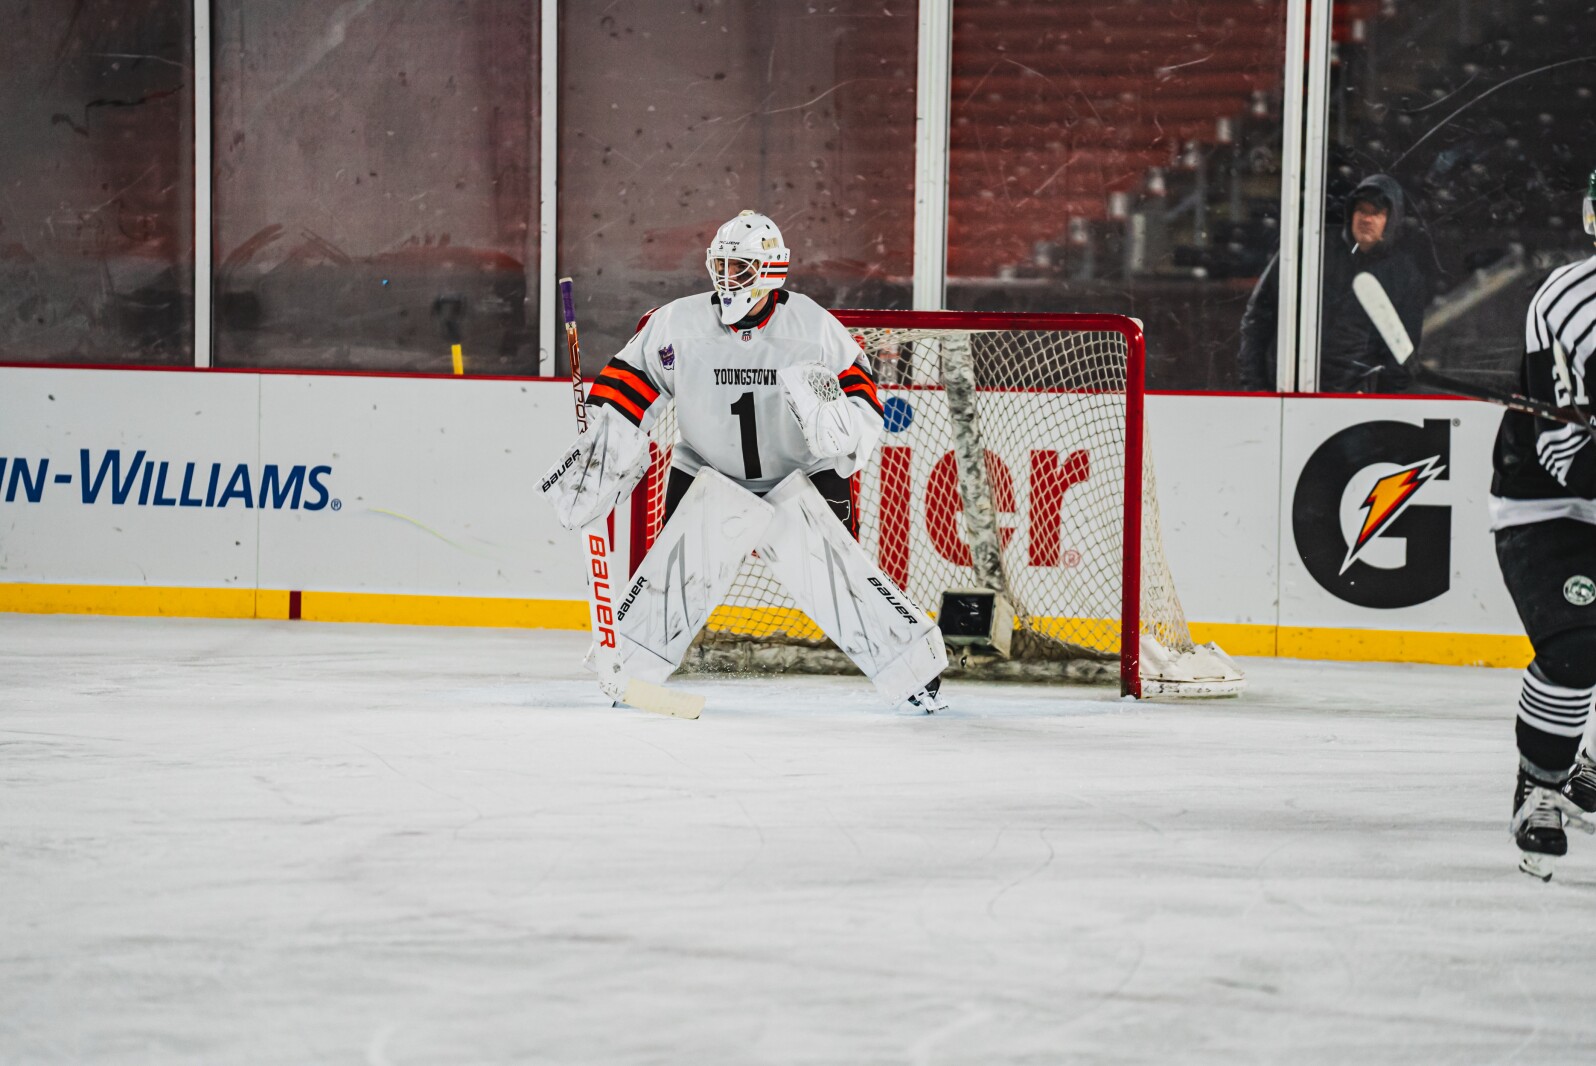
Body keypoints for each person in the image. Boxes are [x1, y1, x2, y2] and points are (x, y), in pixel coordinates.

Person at [538, 210, 949, 712]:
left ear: (771, 271)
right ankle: (630, 668)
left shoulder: (813, 327)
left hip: (802, 472)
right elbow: (628, 385)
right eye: (723, 265)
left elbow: (863, 401)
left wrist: (842, 429)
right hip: (707, 468)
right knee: (676, 579)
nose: (728, 279)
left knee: (840, 578)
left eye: (741, 268)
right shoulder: (677, 324)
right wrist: (604, 452)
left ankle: (913, 671)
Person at [1490, 167, 1596, 881]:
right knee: (1578, 645)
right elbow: (1564, 453)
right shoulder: (1567, 300)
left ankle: (1569, 756)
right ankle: (1542, 783)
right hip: (1548, 503)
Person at [1238, 174, 1427, 393]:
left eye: (1377, 213)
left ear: (1392, 220)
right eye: (1362, 210)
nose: (1367, 219)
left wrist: (1376, 412)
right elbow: (1258, 317)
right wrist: (1256, 387)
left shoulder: (1405, 276)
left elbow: (1401, 360)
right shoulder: (1310, 245)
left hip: (1352, 409)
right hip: (1287, 393)